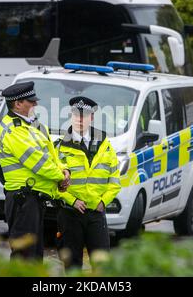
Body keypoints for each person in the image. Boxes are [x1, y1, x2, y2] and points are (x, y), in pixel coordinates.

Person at [0, 81, 70, 260]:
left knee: (34, 254)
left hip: (33, 199)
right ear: (18, 104)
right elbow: (38, 161)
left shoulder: (34, 125)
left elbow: (50, 154)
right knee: (25, 255)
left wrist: (65, 170)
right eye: (31, 101)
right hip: (23, 199)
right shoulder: (14, 130)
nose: (35, 104)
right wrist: (61, 178)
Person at [55, 96, 121, 269]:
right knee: (72, 265)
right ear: (71, 116)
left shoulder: (105, 145)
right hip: (70, 214)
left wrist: (103, 201)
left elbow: (114, 180)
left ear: (91, 117)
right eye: (76, 115)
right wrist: (73, 201)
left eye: (84, 115)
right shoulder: (60, 146)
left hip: (96, 214)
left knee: (101, 266)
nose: (80, 119)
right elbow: (52, 184)